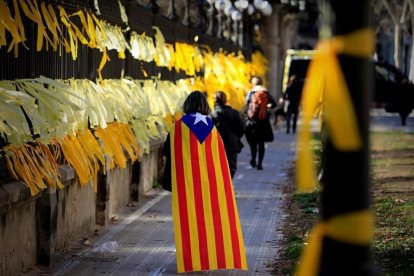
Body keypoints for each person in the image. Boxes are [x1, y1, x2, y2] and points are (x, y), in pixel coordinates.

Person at [161, 91, 247, 273]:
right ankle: (209, 257)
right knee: (208, 218)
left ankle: (191, 258)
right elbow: (219, 157)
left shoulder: (178, 127)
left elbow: (166, 151)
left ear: (187, 105)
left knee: (189, 219)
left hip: (186, 184)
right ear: (204, 105)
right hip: (209, 184)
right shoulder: (211, 127)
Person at [211, 91, 245, 178]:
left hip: (216, 144)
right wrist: (235, 136)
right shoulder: (234, 113)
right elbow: (242, 128)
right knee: (231, 167)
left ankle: (221, 186)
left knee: (217, 167)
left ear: (214, 101)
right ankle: (228, 185)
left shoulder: (211, 115)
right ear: (225, 100)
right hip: (232, 143)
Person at [245, 85, 276, 170]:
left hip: (252, 122)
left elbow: (247, 103)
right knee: (261, 143)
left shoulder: (251, 93)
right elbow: (274, 104)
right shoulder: (266, 94)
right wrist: (267, 106)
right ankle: (260, 163)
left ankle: (253, 160)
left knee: (253, 143)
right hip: (263, 122)